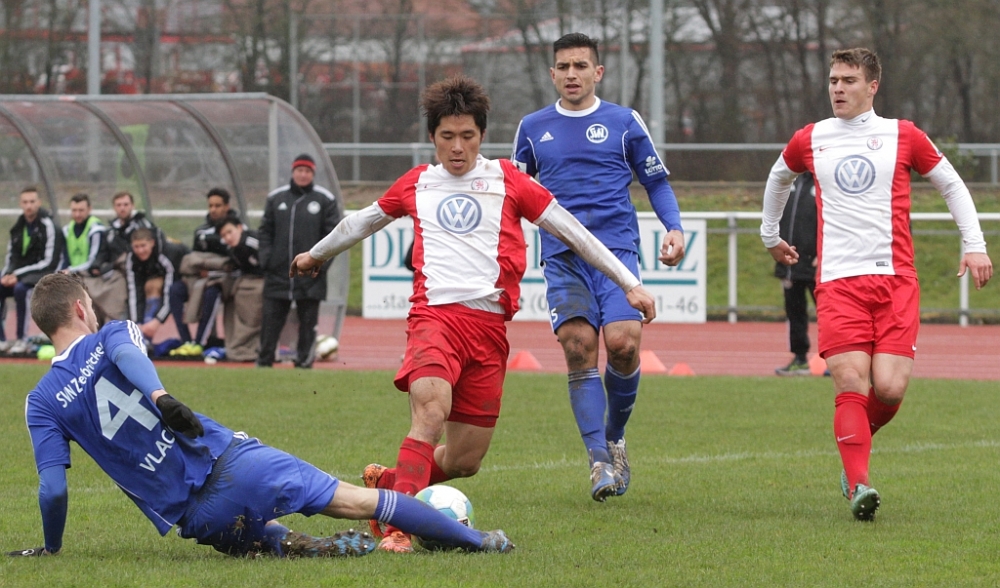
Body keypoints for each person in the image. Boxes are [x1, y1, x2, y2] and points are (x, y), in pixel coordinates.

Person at [290, 75, 657, 553]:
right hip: (434, 319)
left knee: (465, 460)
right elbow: (362, 220)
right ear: (432, 137)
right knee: (430, 411)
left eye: (467, 136)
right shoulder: (418, 182)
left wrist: (630, 283)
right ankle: (399, 529)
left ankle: (392, 482)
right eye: (447, 136)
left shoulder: (509, 180)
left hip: (488, 330)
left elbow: (574, 232)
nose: (458, 147)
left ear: (482, 135)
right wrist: (315, 255)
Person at [7, 273, 513, 558]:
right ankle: (480, 540)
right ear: (81, 308)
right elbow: (124, 356)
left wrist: (51, 549)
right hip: (235, 463)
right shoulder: (112, 333)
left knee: (261, 539)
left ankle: (302, 545)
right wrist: (160, 396)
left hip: (198, 519)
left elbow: (53, 490)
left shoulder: (41, 401)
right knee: (361, 501)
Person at [760, 48, 993, 521]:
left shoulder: (903, 135)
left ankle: (854, 448)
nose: (837, 88)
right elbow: (779, 176)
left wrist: (975, 244)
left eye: (848, 80)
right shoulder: (812, 137)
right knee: (850, 379)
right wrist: (770, 235)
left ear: (872, 87)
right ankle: (859, 483)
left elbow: (951, 184)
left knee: (888, 388)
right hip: (838, 281)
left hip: (896, 280)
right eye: (833, 80)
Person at [511, 32, 686, 501]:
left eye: (581, 66)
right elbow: (513, 195)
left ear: (598, 72)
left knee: (624, 345)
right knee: (578, 345)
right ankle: (598, 461)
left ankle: (614, 438)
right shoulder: (532, 128)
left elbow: (656, 182)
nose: (572, 74)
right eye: (564, 67)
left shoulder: (623, 122)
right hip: (563, 255)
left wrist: (673, 227)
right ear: (553, 74)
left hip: (616, 252)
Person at [257, 154, 340, 369]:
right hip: (278, 274)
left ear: (313, 174)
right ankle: (264, 362)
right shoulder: (276, 198)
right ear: (293, 172)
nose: (303, 175)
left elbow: (333, 238)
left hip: (310, 275)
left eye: (307, 171)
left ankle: (304, 363)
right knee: (270, 321)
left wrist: (319, 265)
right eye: (299, 170)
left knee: (308, 322)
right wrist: (267, 260)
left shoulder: (325, 200)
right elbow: (265, 232)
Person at [168, 188, 243, 357]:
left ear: (227, 206)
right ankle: (186, 341)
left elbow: (236, 261)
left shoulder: (237, 228)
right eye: (210, 206)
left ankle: (199, 342)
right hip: (200, 277)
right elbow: (195, 258)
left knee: (211, 293)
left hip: (225, 280)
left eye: (218, 205)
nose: (213, 209)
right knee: (175, 290)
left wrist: (214, 268)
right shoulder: (201, 231)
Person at [1, 186, 63, 354]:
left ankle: (22, 339)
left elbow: (49, 262)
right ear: (20, 204)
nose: (28, 205)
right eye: (25, 202)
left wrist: (18, 275)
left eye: (32, 201)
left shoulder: (49, 227)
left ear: (39, 202)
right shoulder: (18, 227)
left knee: (21, 290)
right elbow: (12, 256)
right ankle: (2, 340)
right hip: (20, 275)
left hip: (43, 276)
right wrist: (7, 274)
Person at [773, 172, 817, 376]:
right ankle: (800, 359)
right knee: (795, 313)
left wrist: (823, 253)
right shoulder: (790, 179)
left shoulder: (823, 181)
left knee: (831, 315)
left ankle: (838, 359)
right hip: (791, 263)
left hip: (817, 264)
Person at [124, 228, 187, 342]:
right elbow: (134, 291)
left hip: (184, 275)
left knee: (161, 288)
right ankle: (142, 334)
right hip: (158, 274)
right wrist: (136, 322)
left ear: (152, 243)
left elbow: (169, 290)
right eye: (136, 247)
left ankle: (149, 334)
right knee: (148, 286)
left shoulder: (168, 254)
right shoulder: (131, 258)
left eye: (143, 246)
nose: (140, 251)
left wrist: (157, 320)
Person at [217, 216, 265, 362]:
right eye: (224, 235)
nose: (228, 238)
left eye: (229, 232)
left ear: (239, 228)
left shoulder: (253, 242)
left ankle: (248, 348)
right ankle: (239, 347)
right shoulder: (231, 249)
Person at [105, 191, 161, 262]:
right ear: (114, 207)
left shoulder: (143, 225)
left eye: (126, 204)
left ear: (133, 206)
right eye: (118, 205)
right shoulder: (110, 230)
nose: (122, 208)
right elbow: (103, 251)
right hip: (115, 265)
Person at [60, 193, 107, 278]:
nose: (77, 214)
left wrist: (70, 270)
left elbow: (93, 261)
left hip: (89, 276)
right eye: (74, 210)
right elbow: (63, 259)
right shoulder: (67, 230)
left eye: (81, 210)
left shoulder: (95, 229)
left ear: (89, 209)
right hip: (70, 275)